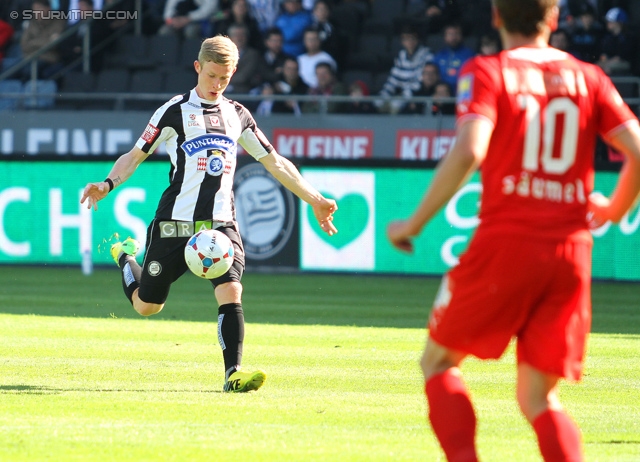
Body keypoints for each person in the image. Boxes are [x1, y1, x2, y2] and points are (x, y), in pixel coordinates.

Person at [386, 0, 640, 460]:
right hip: (570, 252)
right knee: (538, 397)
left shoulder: (488, 71)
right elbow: (637, 149)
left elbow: (470, 149)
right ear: (555, 19)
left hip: (507, 242)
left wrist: (413, 223)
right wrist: (617, 210)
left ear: (497, 17)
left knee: (438, 362)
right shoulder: (590, 77)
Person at [80, 35, 338, 393]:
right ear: (198, 67)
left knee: (231, 290)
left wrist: (315, 199)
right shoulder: (173, 111)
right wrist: (107, 184)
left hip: (220, 226)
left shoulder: (238, 115)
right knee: (147, 306)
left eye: (225, 78)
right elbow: (135, 156)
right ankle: (124, 255)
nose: (217, 85)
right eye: (212, 75)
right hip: (174, 225)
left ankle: (232, 374)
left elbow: (275, 162)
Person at [378, 24, 433, 113]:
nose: (409, 42)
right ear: (402, 42)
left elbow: (420, 80)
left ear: (417, 39)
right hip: (401, 94)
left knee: (395, 106)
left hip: (416, 94)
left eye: (412, 38)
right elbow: (393, 80)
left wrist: (404, 98)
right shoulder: (401, 55)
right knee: (379, 103)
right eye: (406, 39)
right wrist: (384, 95)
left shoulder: (426, 55)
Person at [19, 0, 66, 79]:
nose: (36, 12)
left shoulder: (58, 22)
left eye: (38, 9)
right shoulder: (32, 23)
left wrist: (32, 42)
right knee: (10, 68)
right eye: (34, 9)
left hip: (48, 59)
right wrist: (44, 41)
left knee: (28, 71)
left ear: (48, 8)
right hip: (29, 58)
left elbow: (53, 45)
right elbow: (24, 44)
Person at [432, 22, 475, 92]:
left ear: (461, 36)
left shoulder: (469, 55)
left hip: (462, 94)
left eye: (456, 34)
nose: (453, 37)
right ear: (445, 37)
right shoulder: (439, 55)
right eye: (450, 34)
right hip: (441, 95)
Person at [597, 7, 634, 76]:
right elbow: (604, 54)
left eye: (610, 21)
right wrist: (604, 62)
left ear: (618, 23)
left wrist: (607, 64)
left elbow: (621, 57)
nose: (608, 23)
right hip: (608, 63)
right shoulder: (608, 37)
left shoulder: (627, 38)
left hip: (623, 64)